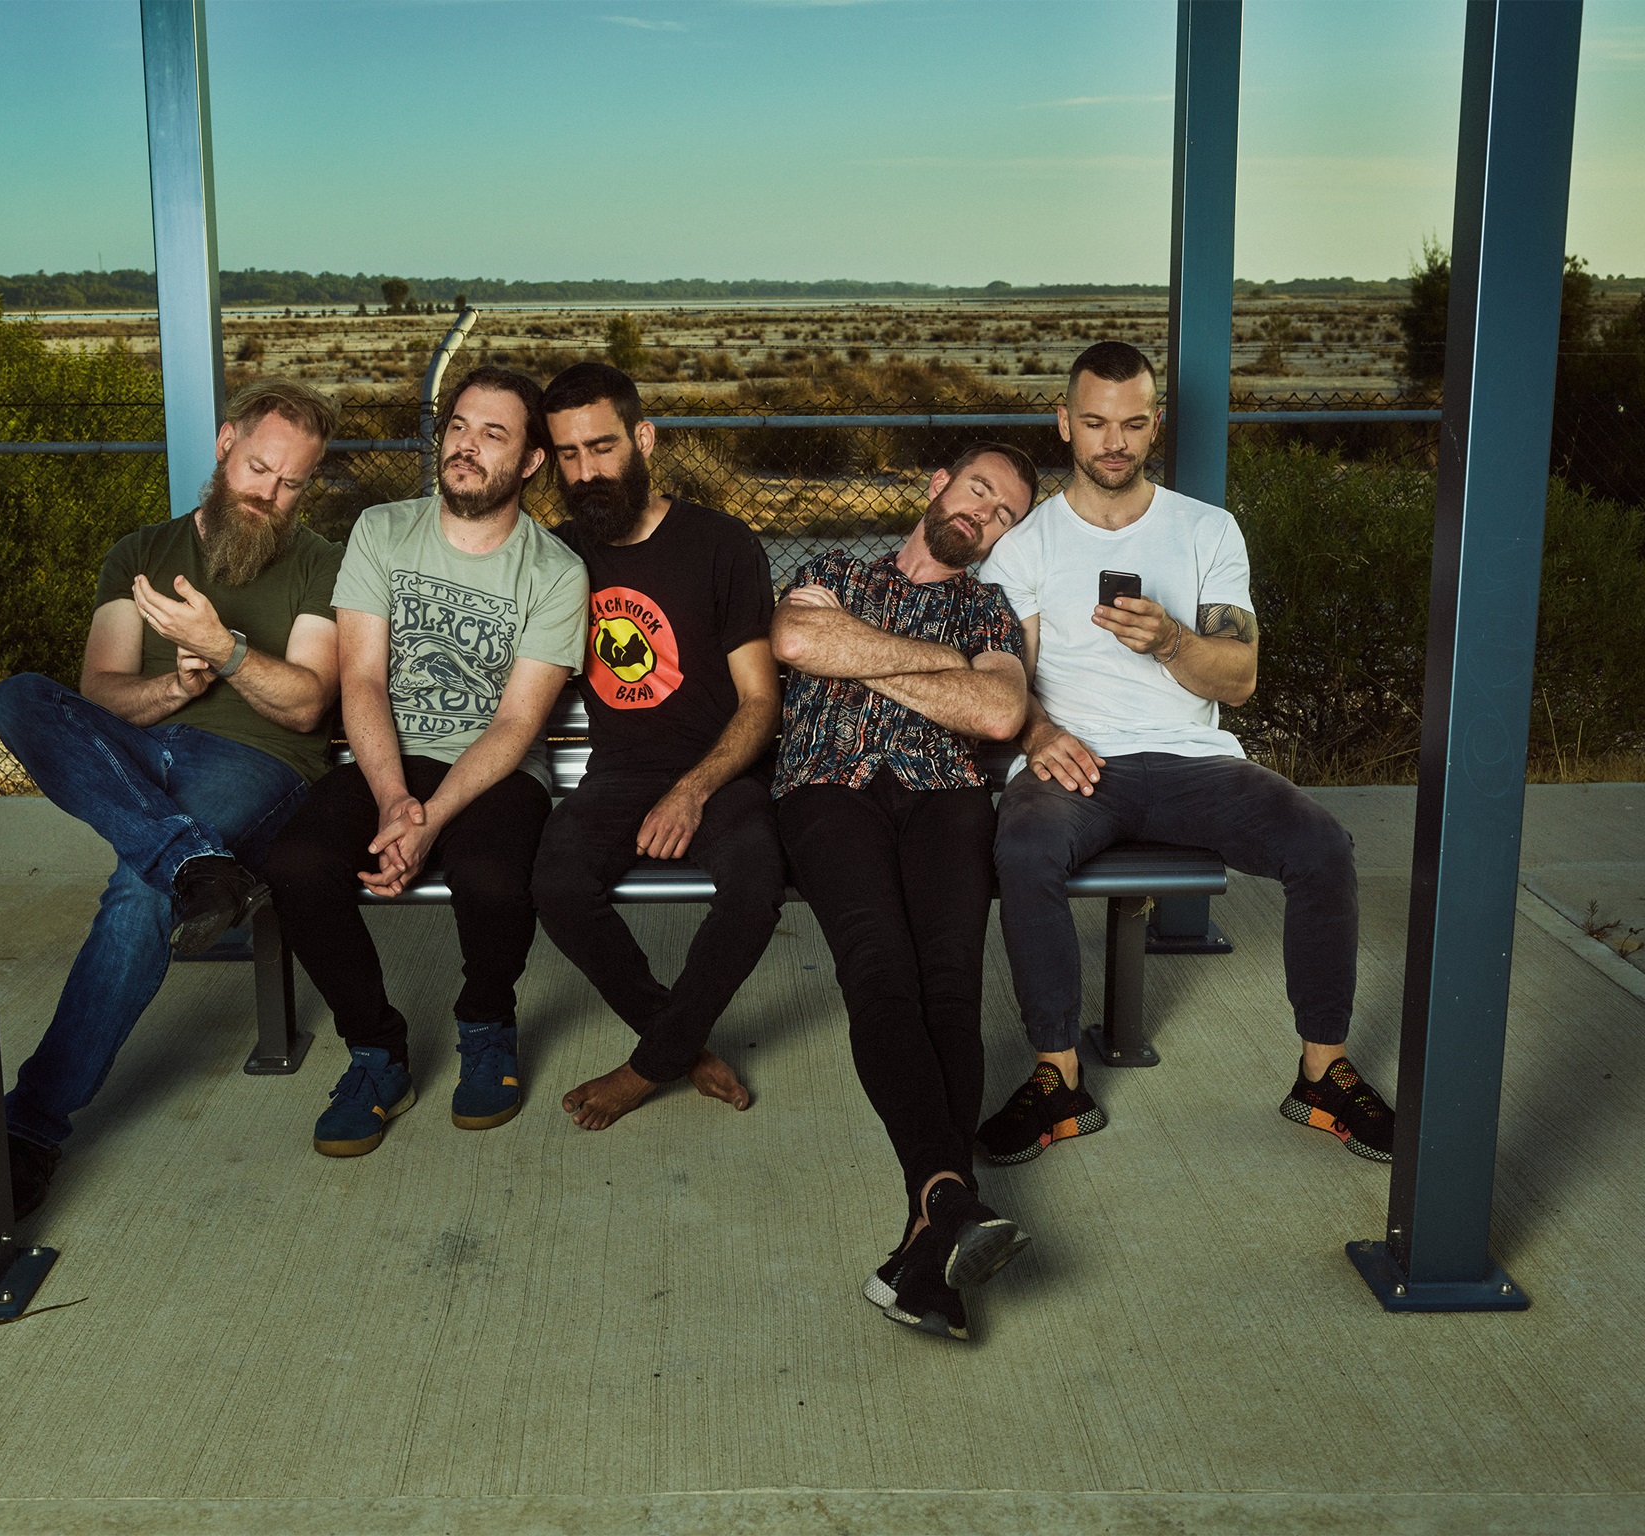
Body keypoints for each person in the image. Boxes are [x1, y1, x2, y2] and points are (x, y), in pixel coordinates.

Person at [975, 340, 1393, 1170]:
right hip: (1075, 763)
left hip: (1193, 761)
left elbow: (1238, 681)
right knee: (1022, 846)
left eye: (1133, 423)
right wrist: (1038, 736)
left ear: (1155, 423)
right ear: (1064, 424)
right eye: (1094, 422)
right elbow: (1005, 681)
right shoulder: (1024, 547)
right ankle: (1058, 1078)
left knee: (1322, 847)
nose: (1114, 442)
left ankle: (1322, 1074)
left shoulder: (1206, 527)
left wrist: (1172, 640)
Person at [0, 378, 343, 1218]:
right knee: (21, 698)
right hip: (143, 746)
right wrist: (173, 691)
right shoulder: (141, 550)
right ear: (225, 445)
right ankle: (194, 859)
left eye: (293, 482)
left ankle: (30, 1128)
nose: (271, 494)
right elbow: (101, 692)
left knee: (138, 890)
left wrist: (221, 651)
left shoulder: (319, 561)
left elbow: (305, 704)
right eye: (260, 468)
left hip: (255, 758)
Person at [261, 367, 587, 1157]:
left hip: (495, 773)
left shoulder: (555, 572)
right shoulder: (382, 530)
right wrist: (390, 798)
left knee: (494, 879)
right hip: (385, 761)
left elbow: (517, 723)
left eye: (494, 434)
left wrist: (429, 817)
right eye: (459, 426)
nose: (467, 446)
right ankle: (376, 1053)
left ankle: (485, 1023)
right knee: (298, 864)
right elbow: (363, 679)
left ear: (532, 462)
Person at [769, 443, 1038, 1341]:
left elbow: (999, 715)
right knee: (880, 970)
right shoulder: (832, 569)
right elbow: (801, 641)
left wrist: (862, 657)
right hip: (827, 789)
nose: (983, 514)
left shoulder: (989, 608)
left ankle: (936, 1224)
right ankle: (947, 1204)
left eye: (1003, 514)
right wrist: (939, 669)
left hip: (945, 800)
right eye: (977, 491)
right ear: (937, 486)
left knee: (952, 987)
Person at [529, 363, 786, 1130]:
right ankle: (680, 1044)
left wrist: (694, 788)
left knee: (756, 885)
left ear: (643, 439)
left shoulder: (721, 544)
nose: (586, 471)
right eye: (568, 455)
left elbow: (761, 700)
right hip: (616, 772)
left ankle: (647, 1067)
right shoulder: (556, 555)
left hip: (719, 767)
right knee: (556, 885)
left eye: (602, 448)